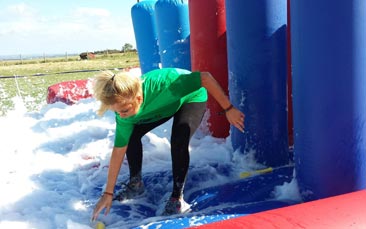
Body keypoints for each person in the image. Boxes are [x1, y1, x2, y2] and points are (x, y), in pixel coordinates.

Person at [91, 68, 244, 221]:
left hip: (189, 97)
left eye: (124, 110)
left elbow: (205, 77)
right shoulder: (123, 112)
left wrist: (228, 109)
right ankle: (136, 184)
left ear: (138, 98)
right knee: (130, 136)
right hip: (162, 107)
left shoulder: (167, 84)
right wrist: (108, 193)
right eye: (116, 112)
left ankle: (177, 198)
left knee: (178, 140)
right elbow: (119, 150)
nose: (121, 115)